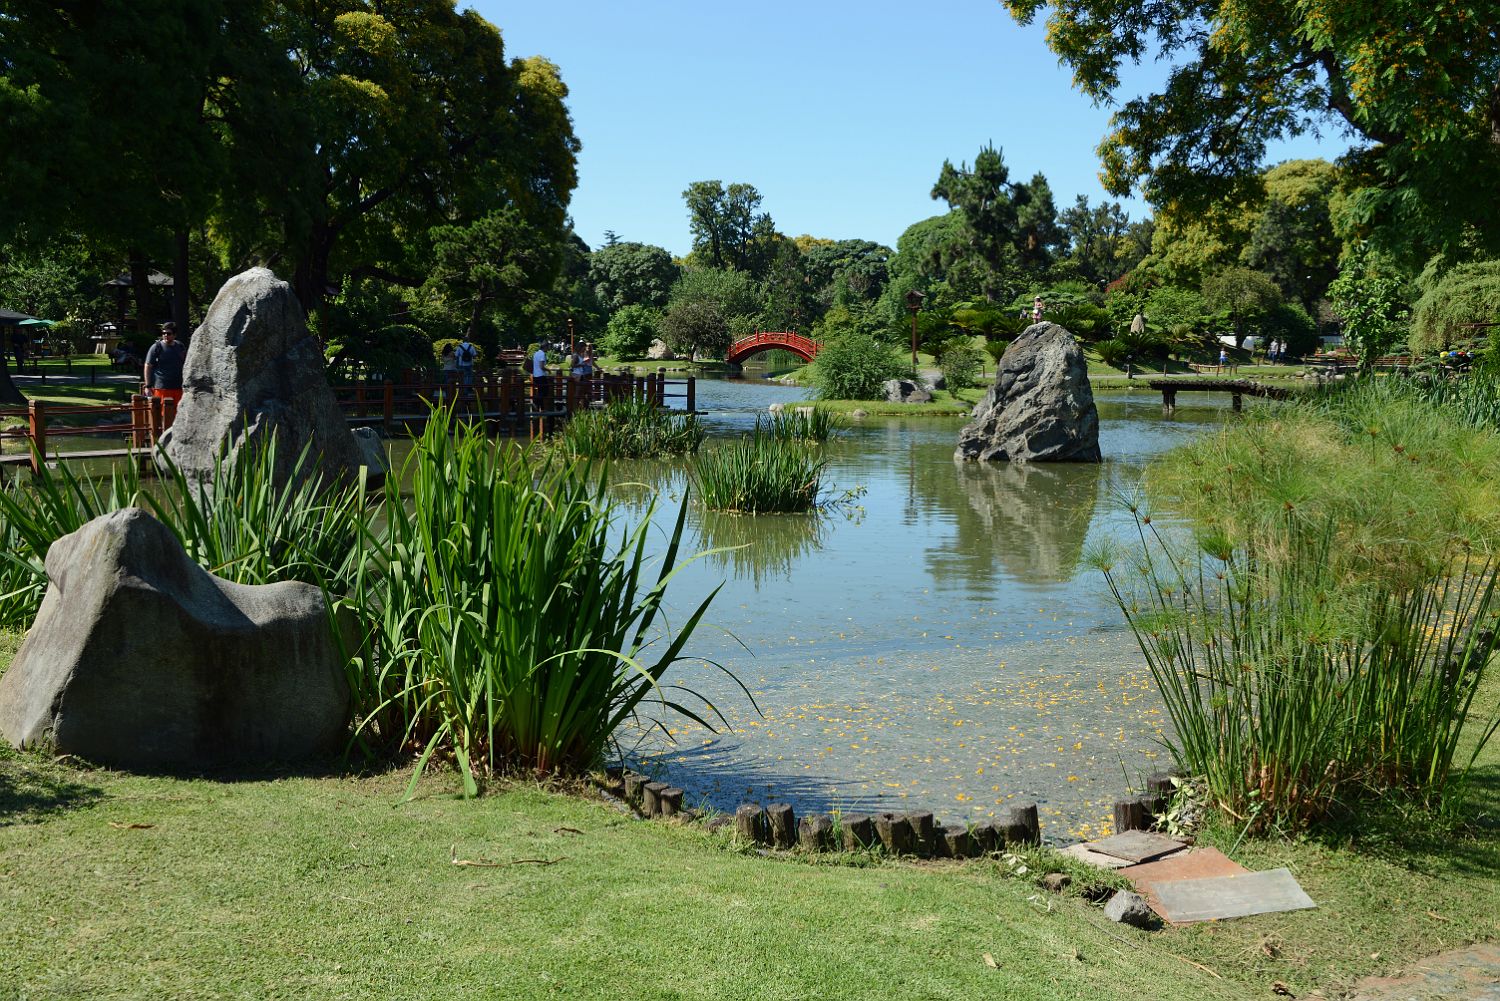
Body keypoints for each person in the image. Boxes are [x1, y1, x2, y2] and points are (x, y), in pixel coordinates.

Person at [143, 322, 187, 405]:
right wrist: (148, 386)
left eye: (168, 333)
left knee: (177, 413)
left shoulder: (180, 346)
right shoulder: (156, 347)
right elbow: (148, 366)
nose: (165, 335)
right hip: (162, 387)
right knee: (163, 413)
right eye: (163, 333)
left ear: (174, 335)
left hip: (179, 386)